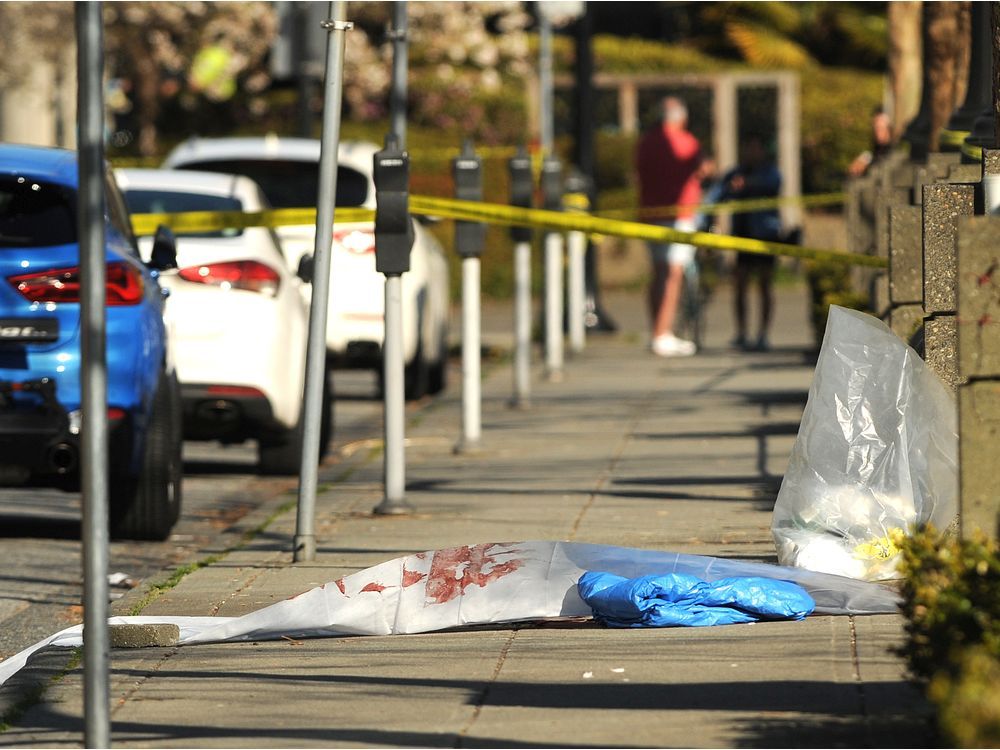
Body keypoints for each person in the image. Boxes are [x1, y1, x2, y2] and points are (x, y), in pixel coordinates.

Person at [636, 97, 713, 357]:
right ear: (681, 118)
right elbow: (702, 169)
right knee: (673, 274)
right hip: (679, 214)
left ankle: (656, 330)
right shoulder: (687, 142)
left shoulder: (646, 142)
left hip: (650, 213)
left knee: (658, 273)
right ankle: (662, 334)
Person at [718, 133, 783, 352]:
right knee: (740, 285)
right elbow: (721, 190)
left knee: (765, 285)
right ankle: (742, 332)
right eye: (749, 148)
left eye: (756, 148)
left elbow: (773, 185)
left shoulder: (770, 171)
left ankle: (763, 334)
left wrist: (746, 184)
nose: (752, 153)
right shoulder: (736, 172)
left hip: (765, 235)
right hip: (742, 234)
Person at [848, 106, 893, 177]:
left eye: (880, 128)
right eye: (875, 127)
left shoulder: (896, 150)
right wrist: (864, 159)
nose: (877, 131)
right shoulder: (876, 148)